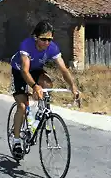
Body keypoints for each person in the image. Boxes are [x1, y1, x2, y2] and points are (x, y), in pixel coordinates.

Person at [10, 20, 80, 158]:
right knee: (22, 106)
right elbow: (24, 71)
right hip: (19, 71)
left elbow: (64, 70)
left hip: (35, 70)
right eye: (43, 39)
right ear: (36, 37)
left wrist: (73, 86)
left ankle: (40, 112)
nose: (46, 43)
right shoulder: (26, 45)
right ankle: (16, 140)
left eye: (49, 39)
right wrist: (35, 86)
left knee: (47, 83)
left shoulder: (52, 48)